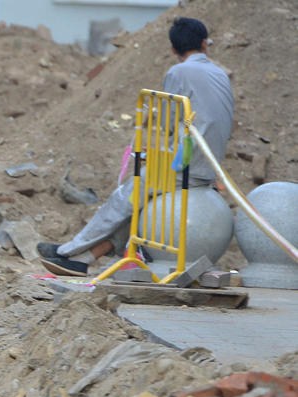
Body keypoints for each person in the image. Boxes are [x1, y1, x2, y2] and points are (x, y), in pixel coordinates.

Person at [37, 17, 234, 277]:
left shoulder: (178, 72)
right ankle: (83, 259)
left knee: (123, 199)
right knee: (138, 209)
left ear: (173, 49)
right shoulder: (220, 73)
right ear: (204, 44)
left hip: (186, 165)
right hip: (208, 165)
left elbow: (169, 122)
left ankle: (67, 251)